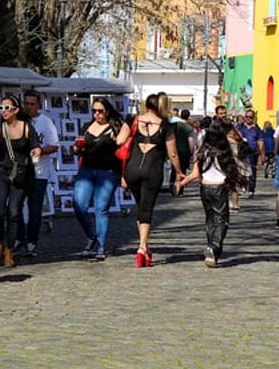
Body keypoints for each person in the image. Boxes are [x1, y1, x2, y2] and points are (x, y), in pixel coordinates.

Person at [124, 93, 185, 267]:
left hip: (132, 169)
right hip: (152, 170)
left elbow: (120, 140)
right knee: (147, 208)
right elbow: (172, 153)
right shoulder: (166, 126)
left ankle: (145, 246)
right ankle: (142, 247)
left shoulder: (134, 120)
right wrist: (179, 172)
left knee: (141, 207)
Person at [174, 126, 248, 267]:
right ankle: (214, 247)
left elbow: (195, 173)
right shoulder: (225, 153)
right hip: (219, 187)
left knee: (210, 218)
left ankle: (210, 246)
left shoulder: (202, 152)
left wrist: (182, 183)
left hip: (205, 187)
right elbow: (233, 171)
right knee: (222, 220)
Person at [0, 95, 41, 268]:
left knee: (14, 212)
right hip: (1, 172)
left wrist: (37, 151)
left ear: (16, 110)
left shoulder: (26, 127)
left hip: (21, 174)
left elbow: (35, 144)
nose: (4, 112)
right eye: (1, 108)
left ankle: (10, 249)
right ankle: (0, 243)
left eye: (7, 108)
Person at [71, 98, 130, 260]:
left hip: (108, 171)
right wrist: (76, 147)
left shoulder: (117, 126)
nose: (97, 114)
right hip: (87, 170)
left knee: (101, 208)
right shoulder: (87, 127)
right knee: (78, 205)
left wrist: (117, 134)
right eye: (94, 111)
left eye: (100, 111)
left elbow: (123, 141)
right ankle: (91, 236)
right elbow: (77, 149)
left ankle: (101, 245)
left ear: (108, 111)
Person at [15, 90, 60, 258]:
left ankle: (32, 242)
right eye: (26, 103)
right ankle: (20, 238)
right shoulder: (17, 121)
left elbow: (54, 145)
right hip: (20, 171)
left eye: (32, 104)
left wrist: (41, 150)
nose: (28, 107)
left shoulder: (45, 122)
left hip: (39, 172)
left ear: (38, 105)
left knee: (35, 209)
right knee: (15, 207)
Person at [236, 109, 265, 198]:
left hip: (253, 153)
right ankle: (242, 187)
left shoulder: (257, 129)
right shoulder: (240, 128)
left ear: (253, 118)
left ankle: (251, 189)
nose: (248, 119)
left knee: (252, 171)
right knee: (241, 171)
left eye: (250, 117)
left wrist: (262, 155)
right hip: (242, 153)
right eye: (247, 117)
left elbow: (261, 142)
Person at [172, 108, 196, 185]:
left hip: (174, 150)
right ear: (188, 116)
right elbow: (191, 142)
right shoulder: (188, 128)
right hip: (184, 152)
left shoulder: (175, 126)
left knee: (174, 169)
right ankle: (180, 187)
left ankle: (172, 186)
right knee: (182, 170)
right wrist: (191, 152)